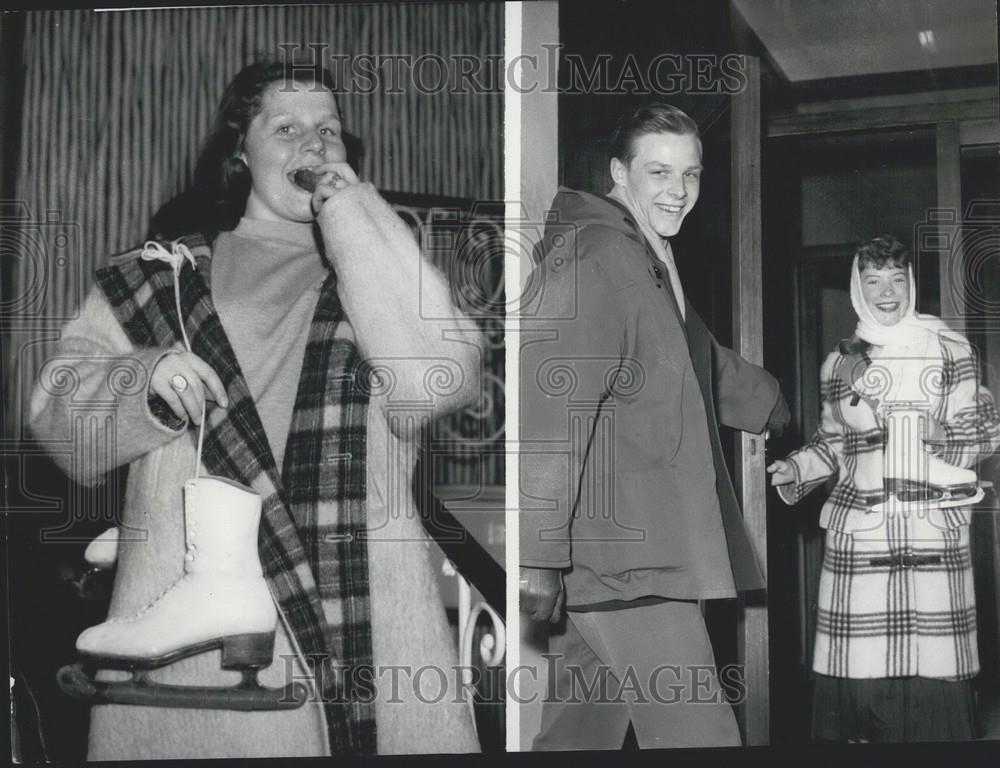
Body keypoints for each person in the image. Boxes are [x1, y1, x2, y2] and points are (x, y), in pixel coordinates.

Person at [29, 60, 481, 758]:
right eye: (287, 128)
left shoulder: (375, 265)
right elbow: (62, 427)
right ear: (240, 150)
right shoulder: (160, 277)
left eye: (328, 129)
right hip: (196, 634)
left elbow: (438, 382)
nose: (314, 143)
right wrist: (144, 377)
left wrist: (353, 215)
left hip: (361, 614)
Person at [519, 101, 790, 749]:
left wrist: (769, 403)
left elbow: (690, 355)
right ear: (619, 172)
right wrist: (539, 555)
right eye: (659, 172)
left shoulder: (643, 257)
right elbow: (550, 410)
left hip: (619, 556)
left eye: (691, 174)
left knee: (577, 739)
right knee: (702, 736)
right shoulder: (597, 257)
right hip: (628, 560)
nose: (678, 191)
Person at [767, 234, 1000, 742]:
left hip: (931, 532)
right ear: (858, 288)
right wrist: (796, 469)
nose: (887, 291)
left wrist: (942, 437)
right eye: (873, 280)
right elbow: (834, 441)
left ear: (911, 283)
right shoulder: (840, 363)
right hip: (861, 538)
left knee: (935, 691)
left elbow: (987, 428)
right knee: (862, 690)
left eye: (896, 278)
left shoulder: (951, 349)